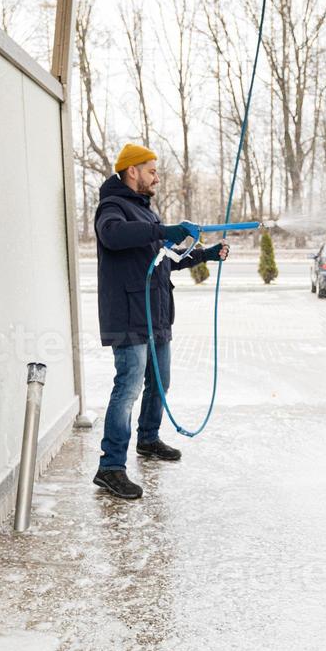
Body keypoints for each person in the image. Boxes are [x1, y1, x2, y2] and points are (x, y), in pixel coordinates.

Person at [91, 143, 230, 500]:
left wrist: (206, 255)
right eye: (152, 170)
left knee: (160, 382)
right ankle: (110, 467)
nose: (157, 177)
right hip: (128, 314)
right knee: (127, 389)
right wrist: (163, 230)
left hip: (156, 314)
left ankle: (148, 439)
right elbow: (113, 235)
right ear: (132, 170)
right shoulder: (112, 207)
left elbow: (164, 258)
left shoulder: (145, 212)